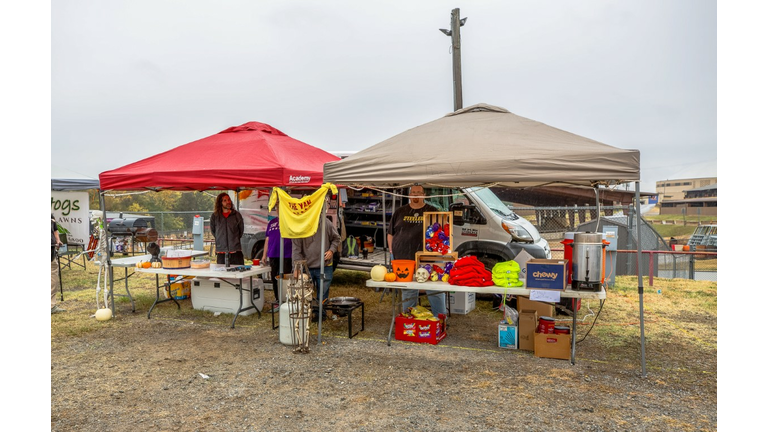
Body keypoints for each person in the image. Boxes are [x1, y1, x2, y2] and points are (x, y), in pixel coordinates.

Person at [387, 185, 447, 317]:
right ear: (409, 195)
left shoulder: (432, 211)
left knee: (434, 288)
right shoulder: (400, 211)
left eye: (418, 193)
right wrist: (391, 249)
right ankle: (410, 318)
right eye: (413, 193)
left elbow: (442, 234)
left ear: (424, 195)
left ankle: (440, 318)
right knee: (408, 290)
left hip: (428, 257)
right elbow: (390, 233)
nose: (416, 195)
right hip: (403, 257)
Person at [291, 215, 340, 322]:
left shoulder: (326, 223)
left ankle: (320, 315)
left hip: (324, 265)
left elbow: (336, 238)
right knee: (306, 293)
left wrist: (331, 250)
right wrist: (296, 267)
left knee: (323, 292)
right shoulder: (300, 225)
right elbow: (296, 249)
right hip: (306, 266)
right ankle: (305, 313)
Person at [262, 207, 292, 312]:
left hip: (287, 255)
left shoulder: (290, 220)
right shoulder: (272, 222)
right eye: (278, 207)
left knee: (285, 279)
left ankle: (286, 300)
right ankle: (277, 299)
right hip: (273, 254)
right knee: (275, 278)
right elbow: (267, 239)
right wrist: (264, 255)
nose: (280, 209)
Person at [210, 193, 245, 266]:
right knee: (222, 275)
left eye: (229, 200)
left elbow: (241, 231)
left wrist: (234, 240)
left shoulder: (236, 215)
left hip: (235, 251)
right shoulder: (215, 216)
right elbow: (214, 231)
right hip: (221, 252)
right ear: (220, 203)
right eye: (225, 200)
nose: (228, 202)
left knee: (237, 273)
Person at [51, 214, 65, 314]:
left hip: (51, 249)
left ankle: (51, 305)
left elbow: (55, 229)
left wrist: (58, 240)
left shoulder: (50, 215)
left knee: (52, 276)